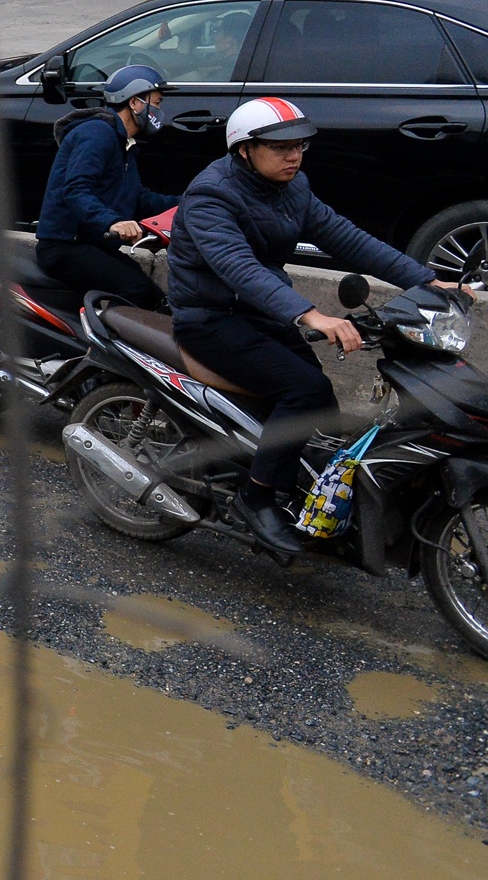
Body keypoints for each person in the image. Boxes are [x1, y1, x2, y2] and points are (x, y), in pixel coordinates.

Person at [168, 97, 442, 555]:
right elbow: (238, 267)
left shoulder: (293, 187)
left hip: (260, 312)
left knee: (322, 405)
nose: (293, 156)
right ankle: (254, 498)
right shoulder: (209, 196)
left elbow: (347, 238)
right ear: (243, 150)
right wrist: (310, 315)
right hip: (210, 318)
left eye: (299, 146)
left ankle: (284, 481)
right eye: (280, 148)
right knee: (304, 391)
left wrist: (430, 281)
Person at [33, 65, 180, 312]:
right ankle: (105, 349)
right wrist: (112, 222)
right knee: (136, 290)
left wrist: (187, 204)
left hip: (93, 246)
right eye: (156, 103)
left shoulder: (124, 144)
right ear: (135, 102)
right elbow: (77, 190)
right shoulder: (96, 133)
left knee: (156, 299)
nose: (159, 111)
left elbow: (138, 197)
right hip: (65, 247)